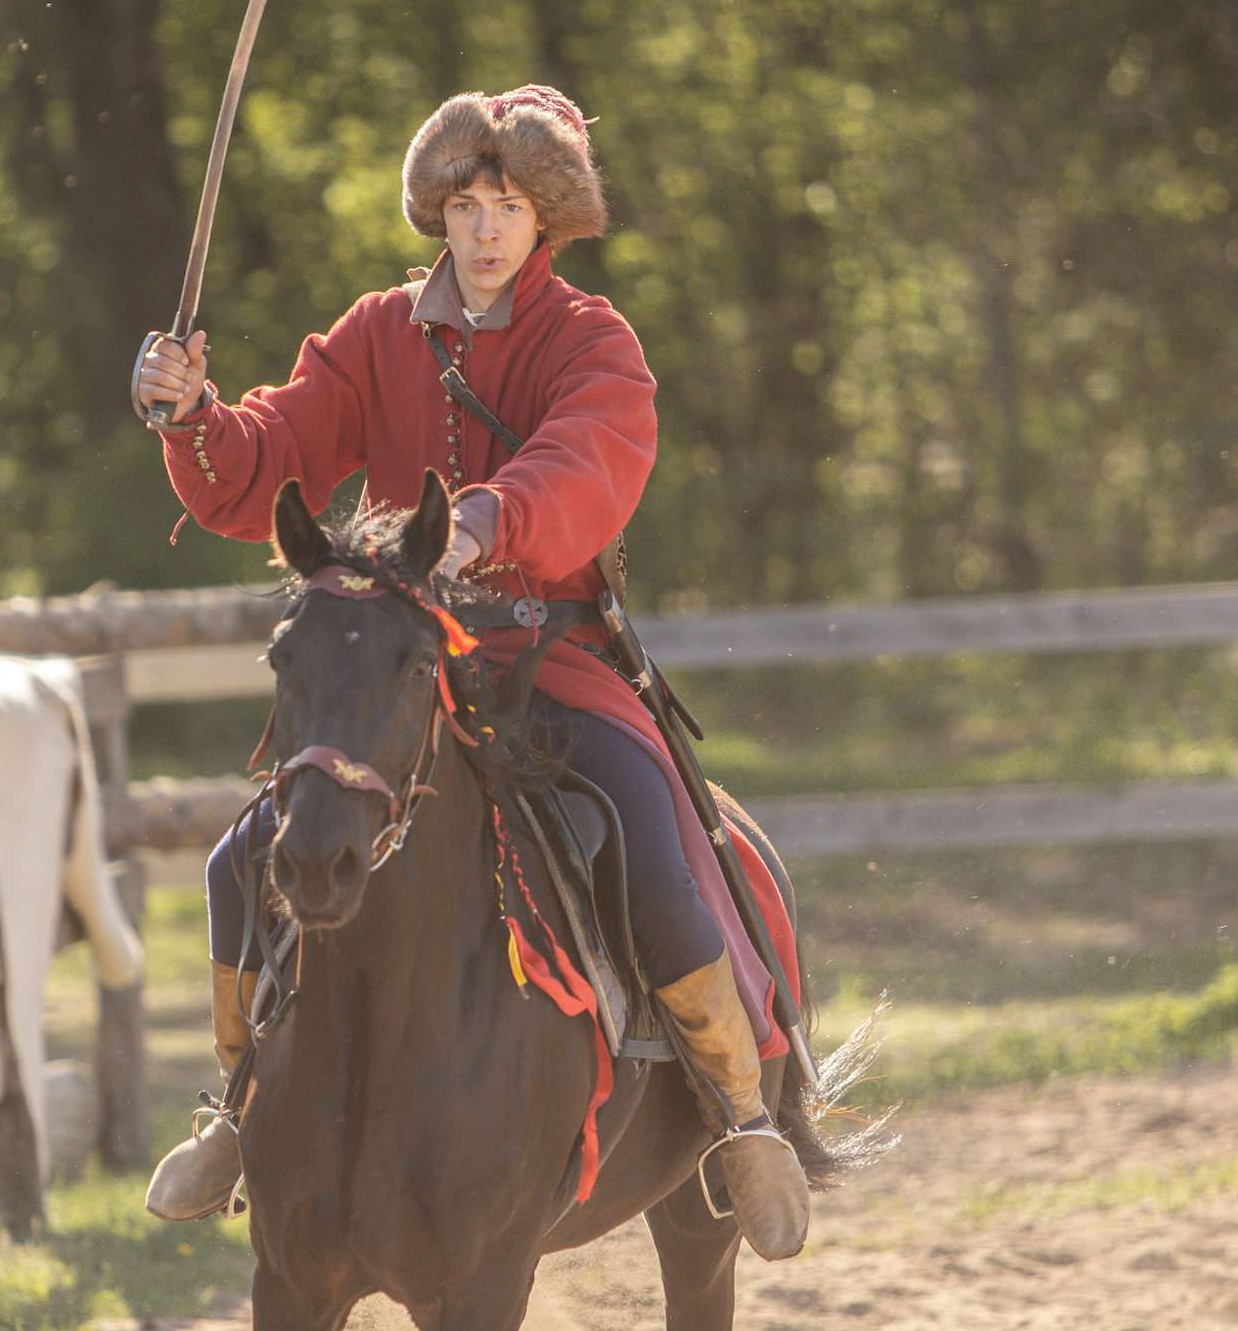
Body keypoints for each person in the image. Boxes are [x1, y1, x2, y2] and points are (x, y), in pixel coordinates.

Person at [132, 86, 808, 1257]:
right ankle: (237, 1110)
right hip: (401, 668)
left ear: (546, 216)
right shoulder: (372, 334)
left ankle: (740, 1116)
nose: (486, 228)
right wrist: (192, 418)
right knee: (245, 854)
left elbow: (589, 462)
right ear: (434, 214)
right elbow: (266, 457)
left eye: (507, 204)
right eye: (463, 203)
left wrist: (484, 521)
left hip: (553, 659)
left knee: (652, 847)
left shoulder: (594, 342)